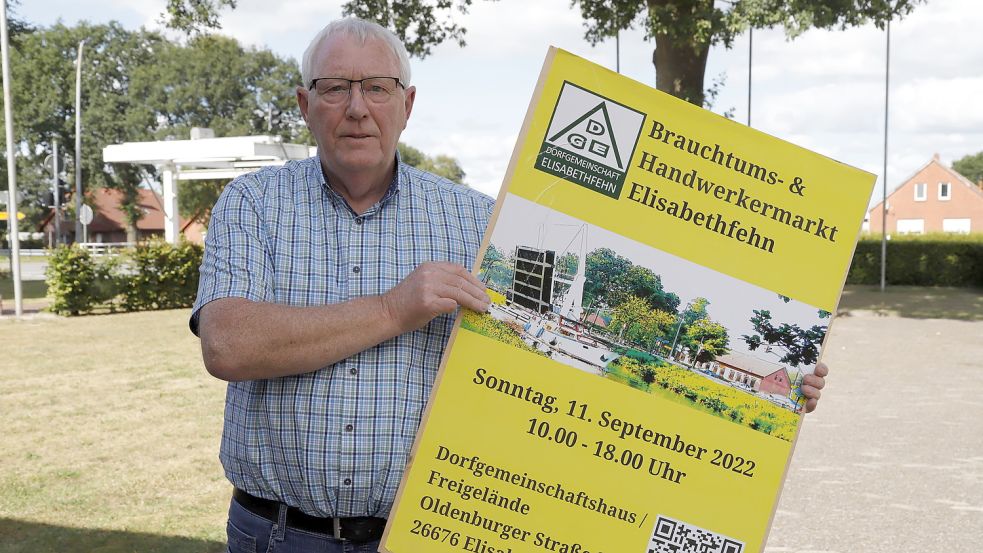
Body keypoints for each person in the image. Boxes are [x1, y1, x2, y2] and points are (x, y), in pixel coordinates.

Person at [191, 17, 828, 553]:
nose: (357, 108)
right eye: (334, 88)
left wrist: (771, 373)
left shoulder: (479, 221)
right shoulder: (253, 203)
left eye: (378, 88)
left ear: (407, 105)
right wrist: (395, 307)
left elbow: (568, 349)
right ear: (305, 105)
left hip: (429, 532)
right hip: (279, 535)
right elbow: (228, 346)